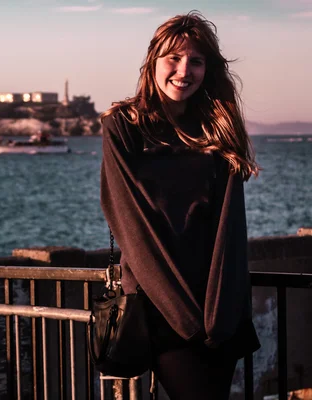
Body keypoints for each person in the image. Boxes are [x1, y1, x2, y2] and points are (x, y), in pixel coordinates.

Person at [99, 11, 260, 400]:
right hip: (161, 307)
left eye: (196, 61)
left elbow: (229, 228)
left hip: (219, 309)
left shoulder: (217, 127)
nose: (184, 70)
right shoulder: (123, 126)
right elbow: (131, 224)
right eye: (173, 57)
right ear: (153, 61)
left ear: (208, 69)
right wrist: (185, 319)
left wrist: (218, 315)